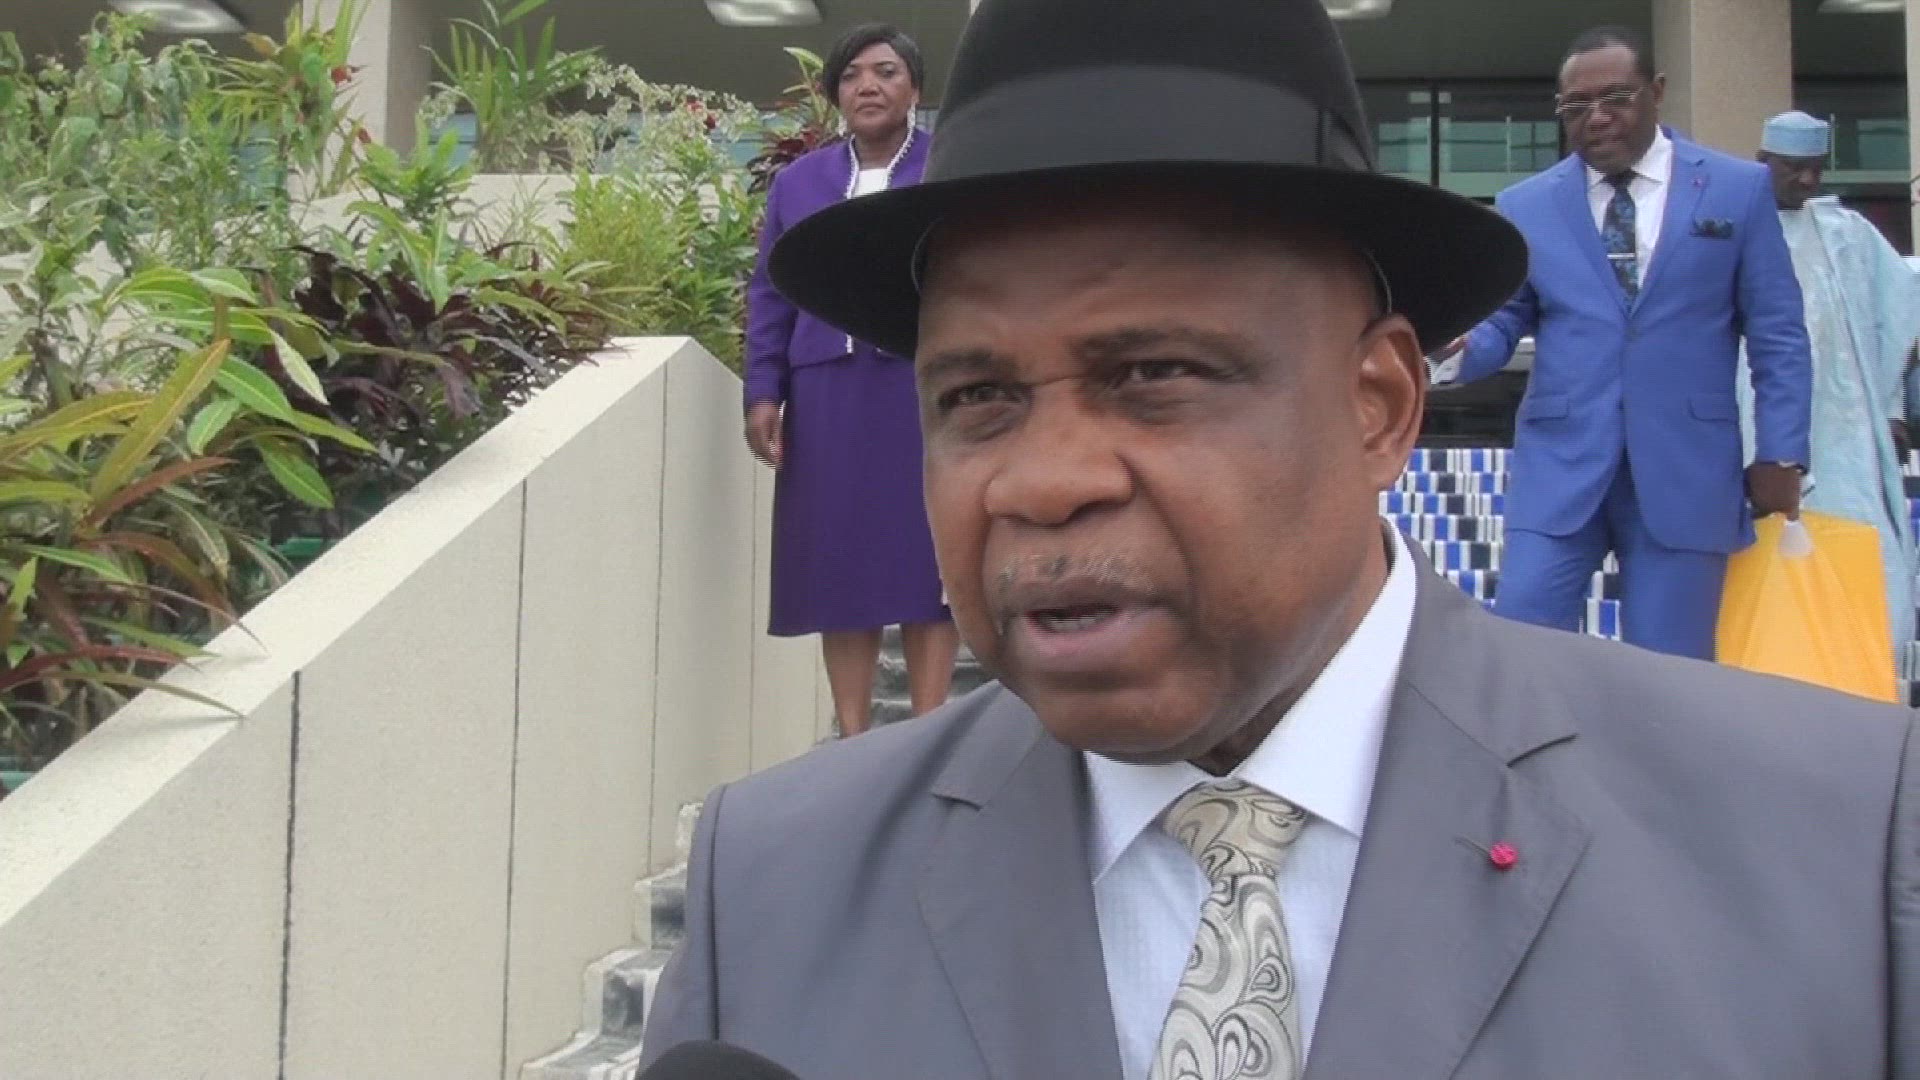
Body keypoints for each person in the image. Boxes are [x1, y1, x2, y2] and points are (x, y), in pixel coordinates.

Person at [643, 0, 1918, 1077]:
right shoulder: (772, 888)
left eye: (1153, 373)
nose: (1043, 482)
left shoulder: (1838, 850)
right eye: (977, 397)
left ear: (1381, 406)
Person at [1435, 27, 1813, 661]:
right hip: (1561, 467)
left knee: (1669, 670)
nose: (1597, 118)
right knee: (1522, 649)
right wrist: (1455, 345)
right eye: (1576, 106)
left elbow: (1778, 335)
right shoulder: (1526, 205)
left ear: (1656, 92)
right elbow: (1506, 321)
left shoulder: (1737, 190)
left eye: (1616, 98)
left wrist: (1782, 453)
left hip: (1686, 472)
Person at [742, 23, 957, 736]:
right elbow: (770, 293)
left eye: (886, 72)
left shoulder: (948, 166)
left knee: (927, 562)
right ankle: (853, 740)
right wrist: (763, 392)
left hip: (921, 388)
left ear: (914, 88)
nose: (868, 86)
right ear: (835, 92)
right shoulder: (798, 183)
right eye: (853, 74)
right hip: (826, 392)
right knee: (841, 568)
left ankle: (927, 734)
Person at [1738, 110, 1920, 656]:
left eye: (1817, 168)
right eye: (1794, 167)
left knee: (1861, 555)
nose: (1808, 180)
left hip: (1846, 433)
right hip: (1753, 425)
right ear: (1763, 162)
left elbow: (1896, 315)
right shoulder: (1731, 227)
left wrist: (1891, 407)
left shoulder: (1848, 234)